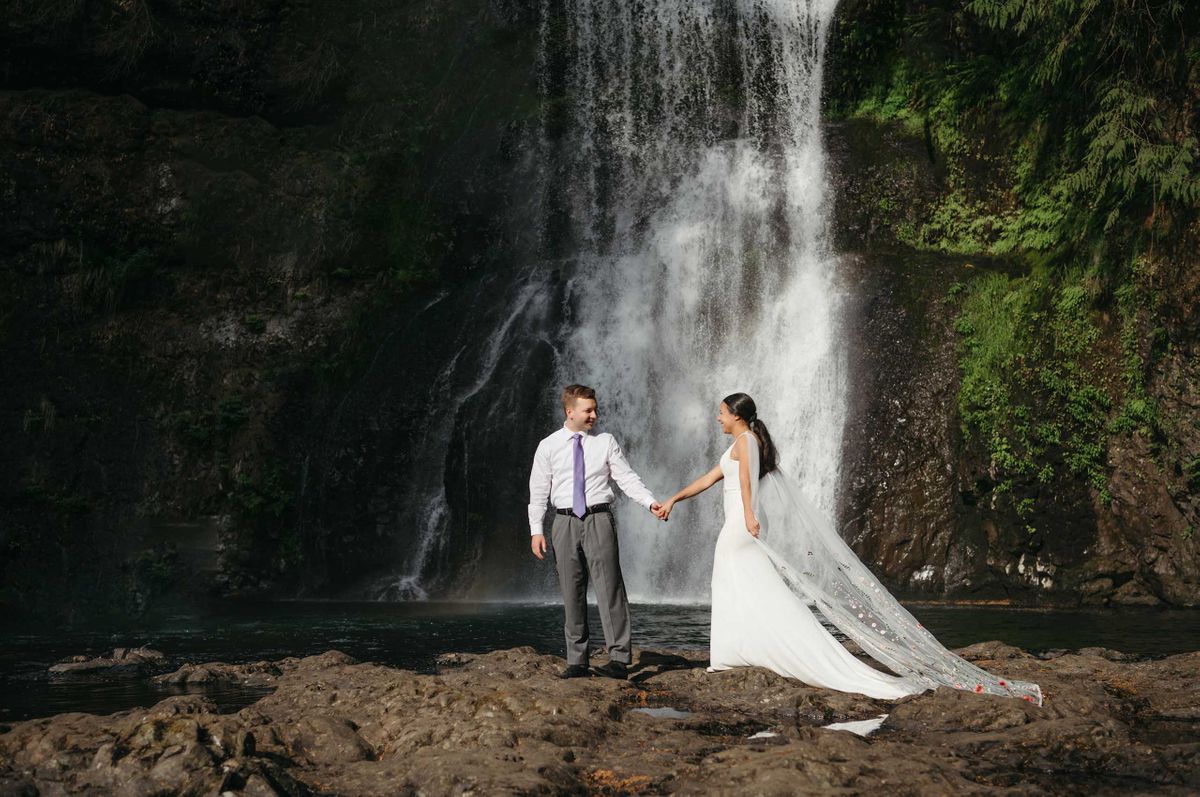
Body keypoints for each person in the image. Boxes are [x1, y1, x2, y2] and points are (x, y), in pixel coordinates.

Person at [654, 392, 1042, 704]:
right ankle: (740, 649)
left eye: (720, 412)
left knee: (737, 581)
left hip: (741, 523)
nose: (717, 418)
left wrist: (751, 516)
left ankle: (740, 651)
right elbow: (710, 478)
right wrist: (673, 498)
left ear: (736, 415)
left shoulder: (744, 441)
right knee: (746, 585)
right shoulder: (744, 440)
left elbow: (745, 484)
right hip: (742, 521)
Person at [529, 384, 663, 679]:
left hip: (598, 519)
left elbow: (626, 478)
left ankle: (618, 659)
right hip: (563, 522)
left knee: (610, 588)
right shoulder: (548, 445)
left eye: (595, 409)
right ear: (570, 411)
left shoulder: (605, 441)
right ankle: (577, 661)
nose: (594, 415)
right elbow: (538, 491)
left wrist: (650, 502)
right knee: (571, 590)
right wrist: (536, 530)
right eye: (588, 410)